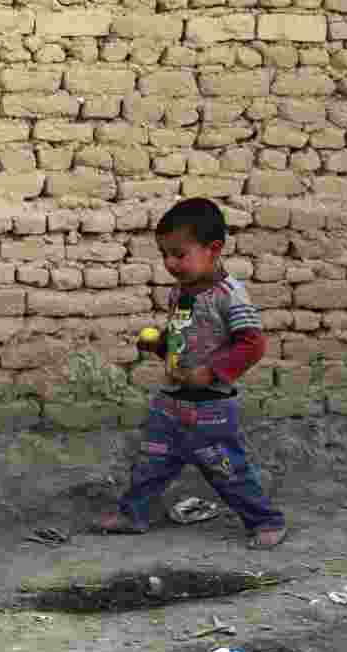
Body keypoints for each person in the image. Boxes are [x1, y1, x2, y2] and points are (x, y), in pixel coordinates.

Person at [93, 198, 287, 549]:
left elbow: (252, 344)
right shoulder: (179, 293)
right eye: (164, 254)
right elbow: (181, 338)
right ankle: (132, 515)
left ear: (214, 249)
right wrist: (159, 346)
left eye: (179, 254)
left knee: (227, 469)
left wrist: (211, 373)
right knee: (150, 463)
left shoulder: (230, 296)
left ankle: (265, 521)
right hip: (171, 400)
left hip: (210, 407)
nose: (170, 263)